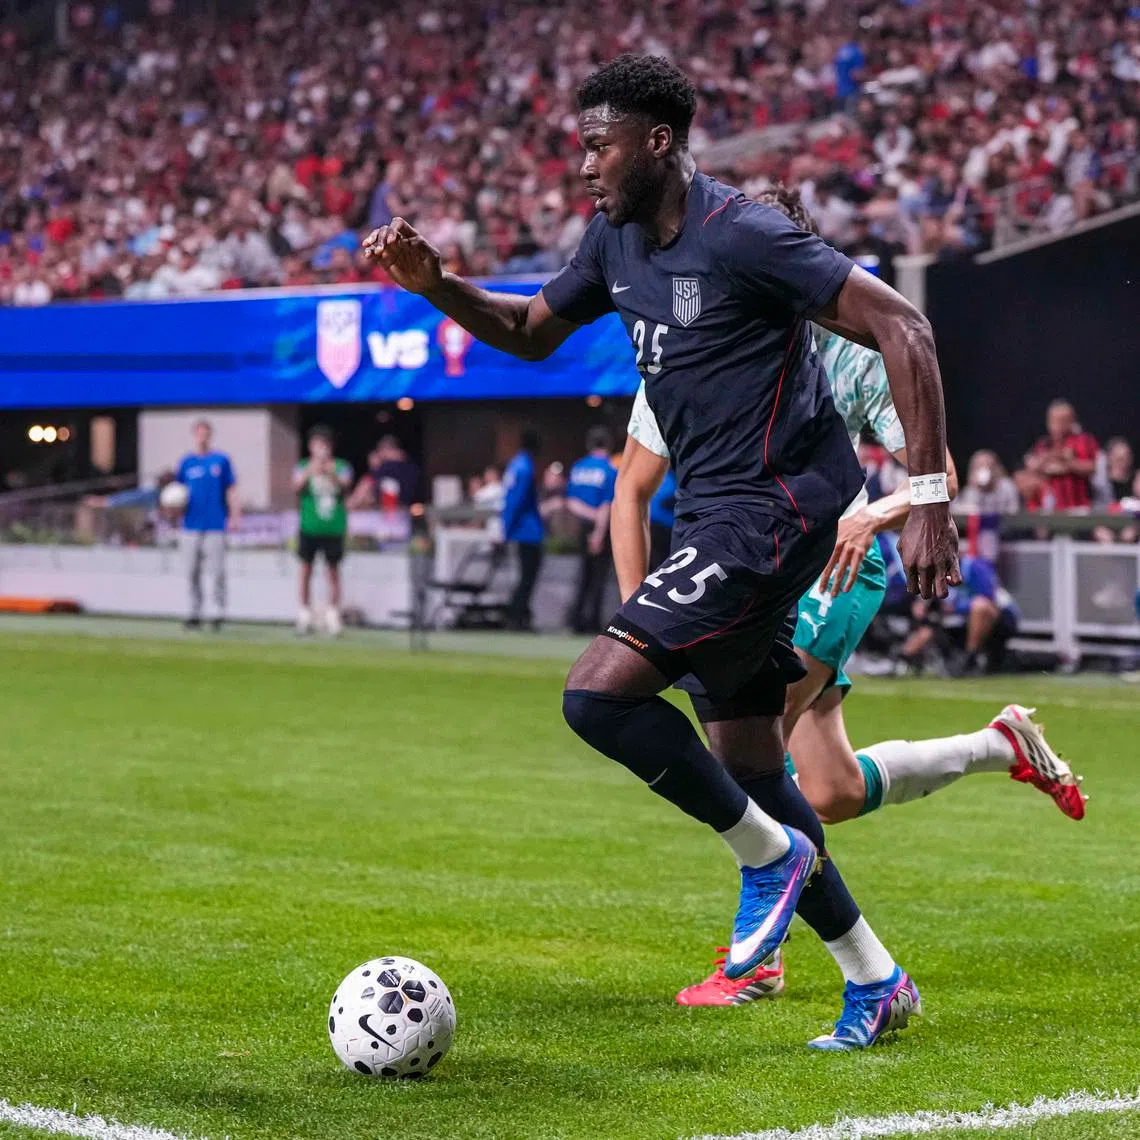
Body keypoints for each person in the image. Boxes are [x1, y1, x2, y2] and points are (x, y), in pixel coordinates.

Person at [364, 54, 961, 1051]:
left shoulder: (746, 236)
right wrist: (438, 286)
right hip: (716, 515)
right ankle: (876, 978)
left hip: (778, 507)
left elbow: (905, 325)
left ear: (658, 141)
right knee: (751, 760)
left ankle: (769, 861)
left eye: (599, 145)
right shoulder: (614, 240)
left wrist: (930, 497)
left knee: (596, 695)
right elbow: (523, 329)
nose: (585, 165)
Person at [617, 186, 1084, 1007]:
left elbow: (931, 470)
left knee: (749, 757)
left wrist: (873, 513)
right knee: (825, 789)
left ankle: (761, 961)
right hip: (745, 570)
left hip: (836, 567)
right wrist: (639, 626)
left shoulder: (849, 346)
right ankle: (998, 746)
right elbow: (630, 492)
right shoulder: (690, 340)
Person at [175, 420, 239, 630]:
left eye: (205, 434)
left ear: (210, 436)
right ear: (194, 435)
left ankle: (218, 611)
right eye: (199, 434)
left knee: (217, 570)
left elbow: (231, 489)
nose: (202, 438)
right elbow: (178, 493)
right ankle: (195, 611)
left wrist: (234, 515)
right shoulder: (187, 463)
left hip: (215, 524)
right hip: (191, 525)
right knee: (192, 571)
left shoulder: (220, 461)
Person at [293, 425, 353, 636]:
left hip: (333, 527)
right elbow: (296, 487)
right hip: (309, 526)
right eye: (317, 445)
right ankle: (304, 612)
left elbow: (346, 486)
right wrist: (311, 470)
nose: (321, 450)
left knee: (333, 571)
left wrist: (329, 472)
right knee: (305, 570)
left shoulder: (341, 466)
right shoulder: (302, 466)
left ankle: (333, 613)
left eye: (324, 445)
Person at [566, 426, 618, 633]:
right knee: (598, 577)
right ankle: (592, 621)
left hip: (581, 526)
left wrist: (588, 515)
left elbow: (571, 501)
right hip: (600, 528)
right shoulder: (610, 469)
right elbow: (607, 505)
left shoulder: (578, 467)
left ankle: (576, 619)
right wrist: (598, 531)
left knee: (583, 575)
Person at [500, 429, 545, 631]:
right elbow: (516, 501)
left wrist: (506, 527)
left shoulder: (515, 464)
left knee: (525, 576)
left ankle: (519, 614)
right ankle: (516, 616)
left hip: (520, 530)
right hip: (528, 532)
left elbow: (509, 500)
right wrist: (506, 530)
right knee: (528, 577)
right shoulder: (525, 468)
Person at [1022, 400, 1099, 510]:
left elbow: (1091, 467)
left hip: (1078, 506)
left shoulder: (1083, 440)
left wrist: (1067, 463)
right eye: (1054, 421)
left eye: (1063, 421)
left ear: (1072, 421)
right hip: (1049, 507)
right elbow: (1033, 468)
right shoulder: (1043, 444)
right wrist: (1055, 458)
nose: (1059, 425)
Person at [347, 436, 421, 511]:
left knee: (367, 483)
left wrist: (374, 467)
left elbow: (368, 481)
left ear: (386, 449)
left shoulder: (390, 466)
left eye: (380, 451)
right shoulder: (408, 463)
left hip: (396, 509)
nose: (379, 454)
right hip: (405, 508)